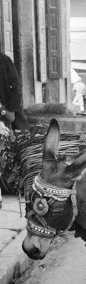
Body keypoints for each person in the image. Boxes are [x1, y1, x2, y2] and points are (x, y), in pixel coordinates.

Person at [0, 52, 29, 209]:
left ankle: (24, 182)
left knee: (21, 143)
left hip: (8, 110)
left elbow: (16, 86)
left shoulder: (4, 61)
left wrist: (9, 110)